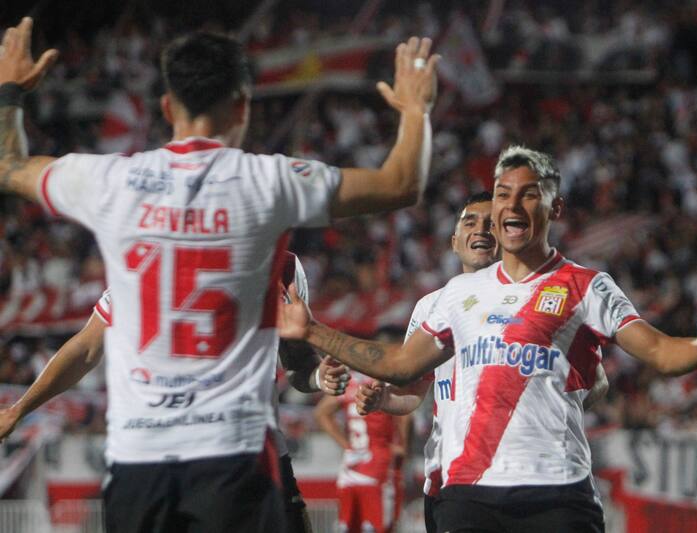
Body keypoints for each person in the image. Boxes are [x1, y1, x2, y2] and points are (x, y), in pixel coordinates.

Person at [0, 16, 438, 533]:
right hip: (232, 457)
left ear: (167, 107)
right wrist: (415, 109)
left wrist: (10, 91)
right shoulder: (269, 182)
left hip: (138, 459)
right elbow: (401, 183)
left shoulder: (111, 182)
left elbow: (8, 166)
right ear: (243, 106)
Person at [279, 145, 697, 532]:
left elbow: (655, 350)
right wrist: (314, 332)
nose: (508, 207)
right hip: (464, 491)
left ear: (555, 207)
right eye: (503, 194)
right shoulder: (451, 297)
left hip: (556, 487)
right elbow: (406, 368)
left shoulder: (586, 286)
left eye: (528, 195)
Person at [0, 252, 349, 533]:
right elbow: (87, 349)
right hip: (164, 457)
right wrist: (20, 407)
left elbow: (298, 364)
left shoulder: (282, 265)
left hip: (254, 451)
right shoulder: (146, 259)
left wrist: (319, 376)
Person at [355, 191, 608, 532]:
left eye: (492, 223)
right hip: (451, 478)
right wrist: (384, 399)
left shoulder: (542, 296)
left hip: (531, 477)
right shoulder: (431, 306)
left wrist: (540, 408)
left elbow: (597, 381)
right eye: (470, 222)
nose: (481, 230)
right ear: (455, 241)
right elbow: (415, 392)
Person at [315, 368, 411, 533]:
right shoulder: (381, 381)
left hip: (351, 466)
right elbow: (405, 413)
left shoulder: (349, 382)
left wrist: (346, 445)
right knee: (381, 526)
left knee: (349, 526)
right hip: (378, 463)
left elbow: (321, 413)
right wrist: (403, 445)